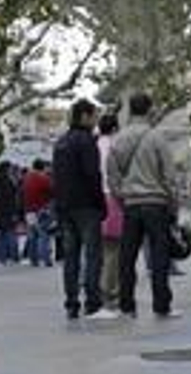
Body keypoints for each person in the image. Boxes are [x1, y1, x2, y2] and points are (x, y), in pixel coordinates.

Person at [107, 92, 180, 319]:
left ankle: (127, 305)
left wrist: (122, 197)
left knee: (127, 257)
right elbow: (169, 175)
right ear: (149, 110)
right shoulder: (157, 138)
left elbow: (112, 175)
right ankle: (161, 305)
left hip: (131, 204)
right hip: (155, 202)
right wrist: (173, 202)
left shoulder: (118, 138)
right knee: (159, 257)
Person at [52, 98, 113, 320]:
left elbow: (56, 178)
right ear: (85, 116)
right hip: (86, 206)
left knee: (71, 257)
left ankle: (71, 303)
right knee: (93, 254)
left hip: (65, 206)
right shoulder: (87, 142)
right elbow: (93, 175)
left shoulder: (61, 143)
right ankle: (93, 302)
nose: (96, 120)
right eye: (94, 115)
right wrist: (101, 203)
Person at [97, 112, 123, 310]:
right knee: (114, 248)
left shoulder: (94, 145)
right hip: (113, 197)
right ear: (115, 128)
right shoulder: (116, 146)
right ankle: (110, 288)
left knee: (101, 247)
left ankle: (97, 284)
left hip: (95, 199)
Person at [0, 159, 23, 265]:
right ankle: (13, 256)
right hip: (8, 212)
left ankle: (1, 257)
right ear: (7, 169)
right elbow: (11, 199)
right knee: (11, 234)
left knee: (2, 235)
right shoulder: (8, 181)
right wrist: (15, 213)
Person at [21, 159, 55, 267]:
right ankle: (46, 259)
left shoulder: (26, 178)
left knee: (32, 236)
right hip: (41, 209)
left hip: (29, 210)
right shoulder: (43, 179)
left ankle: (33, 259)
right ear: (43, 167)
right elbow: (53, 191)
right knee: (43, 235)